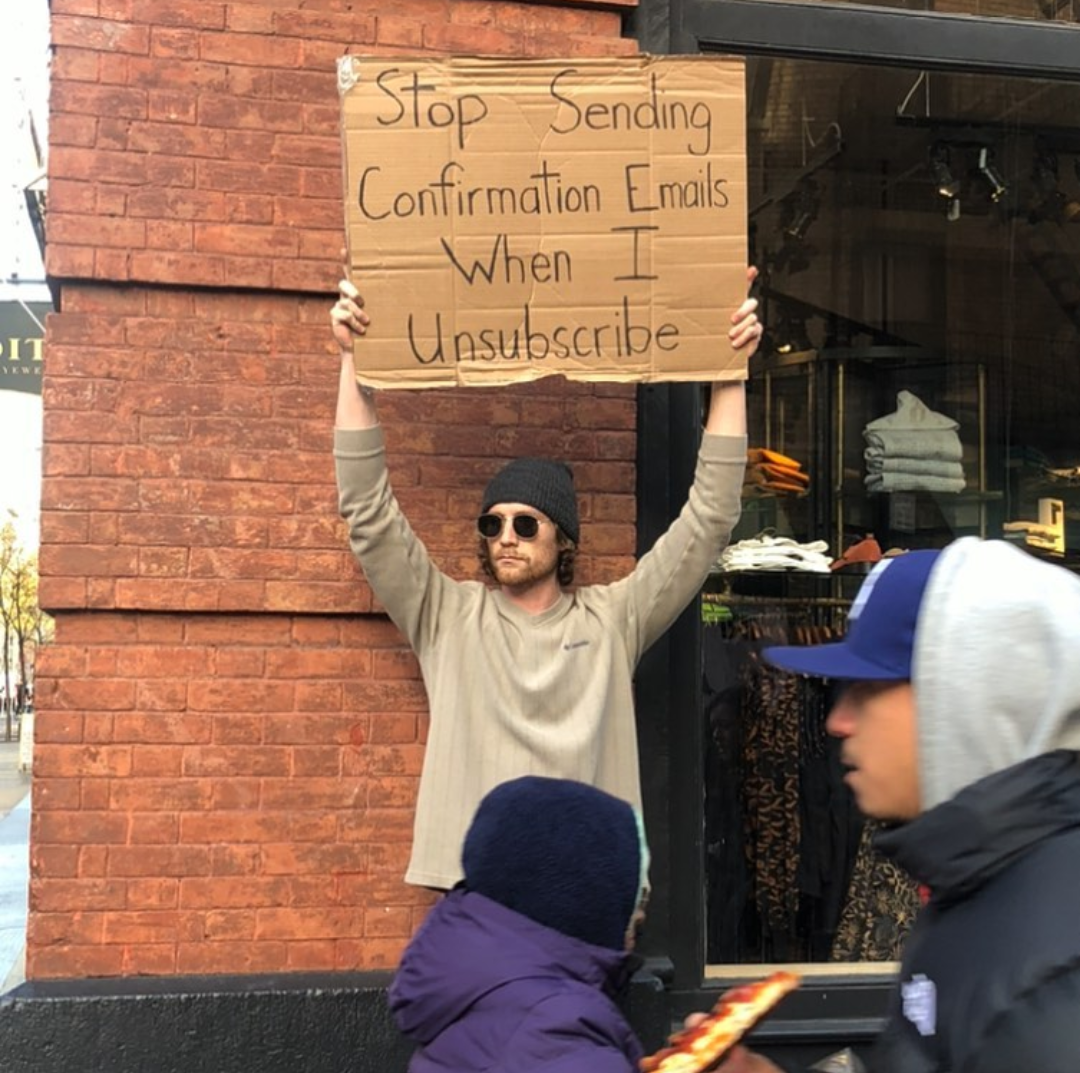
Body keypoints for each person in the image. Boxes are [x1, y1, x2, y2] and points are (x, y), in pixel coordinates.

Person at [330, 272, 762, 890]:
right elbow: (368, 514)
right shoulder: (447, 617)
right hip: (479, 893)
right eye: (493, 523)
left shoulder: (612, 620)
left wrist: (727, 371)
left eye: (526, 523)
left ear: (563, 540)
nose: (506, 536)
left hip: (584, 892)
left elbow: (709, 519)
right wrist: (355, 363)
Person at [719, 537, 1080, 1073]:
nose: (837, 721)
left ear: (963, 701)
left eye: (867, 689)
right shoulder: (977, 884)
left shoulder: (1047, 989)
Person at [388, 775, 651, 1073]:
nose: (640, 916)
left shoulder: (489, 996)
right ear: (590, 900)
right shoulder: (559, 1034)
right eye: (635, 898)